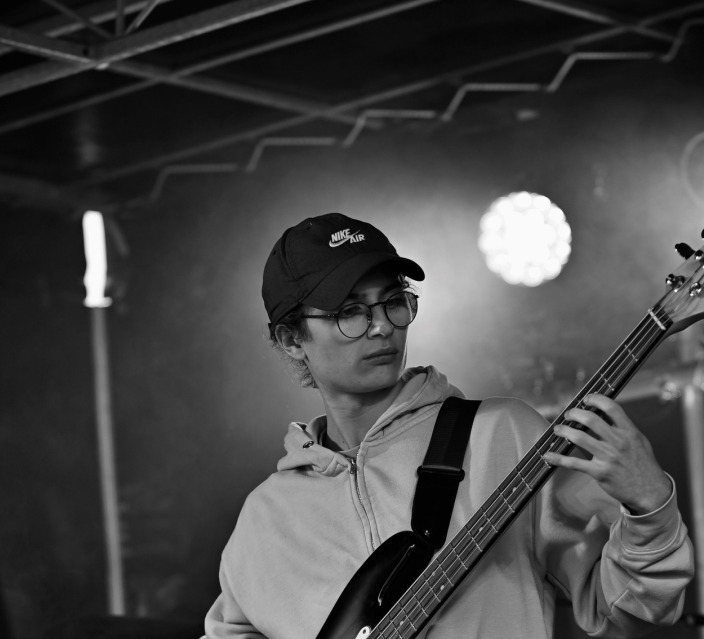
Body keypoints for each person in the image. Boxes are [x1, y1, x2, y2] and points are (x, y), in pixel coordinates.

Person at [202, 212, 694, 639]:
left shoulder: (504, 435)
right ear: (292, 340)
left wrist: (650, 506)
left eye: (393, 301)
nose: (382, 326)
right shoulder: (264, 520)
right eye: (350, 312)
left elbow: (630, 613)